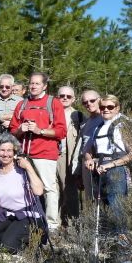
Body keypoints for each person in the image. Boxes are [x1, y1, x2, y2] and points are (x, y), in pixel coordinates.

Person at [9, 72, 66, 230]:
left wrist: (39, 131)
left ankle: (52, 225)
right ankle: (27, 221)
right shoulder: (22, 104)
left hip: (45, 154)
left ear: (45, 86)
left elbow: (61, 131)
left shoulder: (53, 103)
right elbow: (13, 130)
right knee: (24, 188)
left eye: (37, 84)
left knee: (48, 188)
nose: (33, 86)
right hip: (24, 153)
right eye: (31, 83)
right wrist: (21, 129)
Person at [0, 134, 45, 254]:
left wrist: (28, 167)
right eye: (2, 150)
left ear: (14, 152)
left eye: (9, 150)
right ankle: (9, 236)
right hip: (5, 213)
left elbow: (39, 191)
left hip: (26, 214)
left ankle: (29, 236)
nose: (5, 154)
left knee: (9, 247)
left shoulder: (22, 168)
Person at [84, 95, 132, 232]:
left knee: (117, 208)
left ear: (117, 108)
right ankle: (109, 243)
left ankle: (122, 247)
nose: (106, 110)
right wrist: (89, 159)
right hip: (100, 170)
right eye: (102, 107)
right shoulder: (98, 127)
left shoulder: (123, 125)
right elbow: (89, 149)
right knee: (105, 206)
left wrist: (110, 165)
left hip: (116, 171)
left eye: (110, 107)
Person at [56, 86, 84, 225]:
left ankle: (73, 223)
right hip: (50, 155)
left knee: (69, 189)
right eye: (62, 96)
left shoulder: (78, 116)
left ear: (73, 99)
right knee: (52, 189)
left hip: (69, 156)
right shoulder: (51, 112)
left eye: (68, 96)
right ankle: (55, 222)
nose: (65, 98)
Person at [76, 90, 103, 200]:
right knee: (91, 200)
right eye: (85, 102)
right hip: (87, 166)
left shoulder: (108, 118)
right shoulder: (84, 124)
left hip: (104, 164)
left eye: (92, 100)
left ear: (99, 99)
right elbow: (82, 148)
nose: (89, 104)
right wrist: (79, 173)